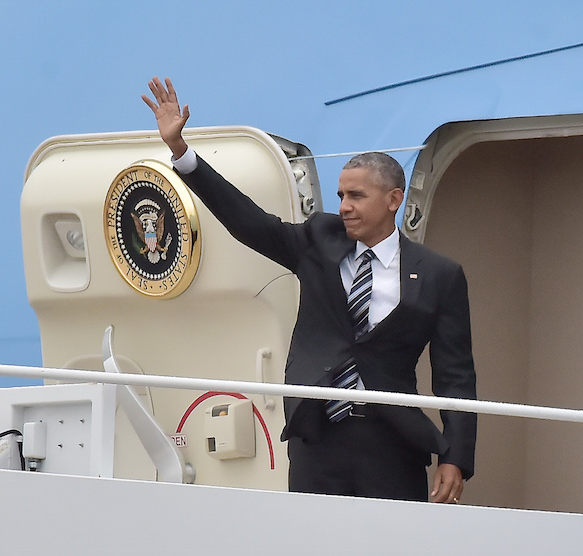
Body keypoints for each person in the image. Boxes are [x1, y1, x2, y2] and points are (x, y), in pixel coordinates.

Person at [143, 77, 477, 503]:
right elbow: (248, 222)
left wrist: (456, 456)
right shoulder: (320, 239)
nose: (344, 206)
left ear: (394, 199)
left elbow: (456, 377)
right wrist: (181, 153)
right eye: (341, 195)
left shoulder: (439, 274)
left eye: (357, 195)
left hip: (393, 442)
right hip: (317, 435)